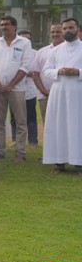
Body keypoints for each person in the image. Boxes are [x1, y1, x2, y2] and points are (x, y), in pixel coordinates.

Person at [42, 18, 82, 175]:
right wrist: (58, 71)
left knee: (78, 126)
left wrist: (78, 72)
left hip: (78, 94)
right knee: (58, 126)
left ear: (78, 29)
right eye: (65, 28)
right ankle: (59, 163)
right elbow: (46, 70)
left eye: (71, 27)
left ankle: (79, 164)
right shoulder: (55, 50)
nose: (67, 31)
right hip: (58, 94)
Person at [0, 15, 32, 162]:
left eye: (7, 24)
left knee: (20, 122)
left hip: (17, 89)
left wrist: (11, 85)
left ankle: (20, 152)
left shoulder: (24, 42)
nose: (4, 27)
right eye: (2, 25)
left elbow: (25, 66)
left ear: (14, 26)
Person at [32, 23, 64, 124]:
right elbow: (35, 73)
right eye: (52, 32)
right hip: (44, 96)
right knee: (48, 124)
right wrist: (44, 91)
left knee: (64, 123)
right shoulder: (41, 52)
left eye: (58, 32)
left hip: (64, 94)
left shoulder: (69, 51)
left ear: (63, 32)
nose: (55, 34)